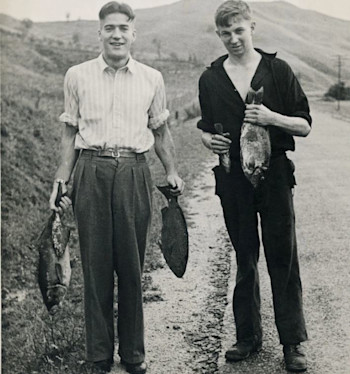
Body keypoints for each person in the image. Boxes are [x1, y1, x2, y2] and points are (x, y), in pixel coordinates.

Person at [49, 2, 184, 373]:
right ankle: (98, 354)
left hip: (134, 172)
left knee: (131, 264)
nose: (117, 34)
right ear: (100, 33)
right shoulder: (76, 75)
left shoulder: (151, 78)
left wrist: (171, 169)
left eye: (123, 27)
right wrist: (61, 181)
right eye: (109, 28)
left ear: (133, 33)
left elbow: (160, 131)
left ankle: (133, 354)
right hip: (90, 171)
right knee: (95, 267)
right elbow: (69, 134)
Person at [197, 1, 311, 372]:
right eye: (226, 33)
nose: (233, 38)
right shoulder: (211, 78)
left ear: (252, 27)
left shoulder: (278, 70)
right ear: (219, 34)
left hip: (275, 175)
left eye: (239, 30)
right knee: (244, 257)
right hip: (233, 178)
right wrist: (208, 142)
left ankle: (292, 342)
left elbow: (305, 125)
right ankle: (247, 337)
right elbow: (206, 129)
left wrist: (271, 117)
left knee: (283, 256)